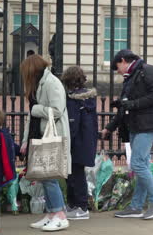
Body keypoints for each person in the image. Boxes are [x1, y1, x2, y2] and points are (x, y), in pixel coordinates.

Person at [101, 49, 153, 220]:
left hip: (148, 125)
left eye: (117, 67)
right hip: (136, 126)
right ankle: (136, 206)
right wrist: (110, 127)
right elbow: (125, 107)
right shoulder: (131, 77)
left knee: (138, 164)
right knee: (141, 165)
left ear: (123, 60)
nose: (118, 72)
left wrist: (132, 103)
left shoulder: (148, 70)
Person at [19, 54, 71, 231]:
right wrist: (26, 140)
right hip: (40, 134)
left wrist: (36, 109)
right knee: (44, 176)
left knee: (49, 177)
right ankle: (51, 214)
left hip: (52, 134)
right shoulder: (38, 84)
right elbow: (31, 117)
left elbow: (57, 110)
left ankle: (60, 215)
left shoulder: (51, 83)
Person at [62, 66, 98, 220]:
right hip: (85, 140)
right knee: (75, 173)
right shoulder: (88, 98)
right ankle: (74, 204)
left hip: (76, 141)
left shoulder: (72, 99)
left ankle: (81, 206)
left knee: (75, 175)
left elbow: (72, 124)